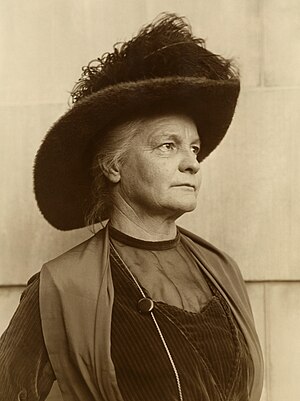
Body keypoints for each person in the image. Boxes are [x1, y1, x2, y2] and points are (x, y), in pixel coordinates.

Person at [0, 13, 264, 401]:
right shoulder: (63, 288)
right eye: (167, 145)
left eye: (194, 148)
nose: (192, 162)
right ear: (113, 165)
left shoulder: (222, 272)